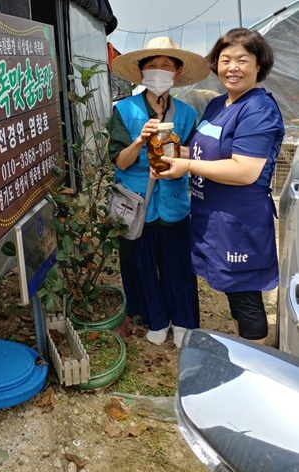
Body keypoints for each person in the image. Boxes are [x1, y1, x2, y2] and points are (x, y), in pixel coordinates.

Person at [160, 28, 284, 344]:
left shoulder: (259, 109)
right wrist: (171, 150)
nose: (232, 68)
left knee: (246, 298)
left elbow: (245, 171)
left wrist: (185, 166)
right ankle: (241, 351)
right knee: (231, 289)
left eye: (242, 60)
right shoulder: (218, 104)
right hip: (213, 216)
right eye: (225, 59)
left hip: (239, 220)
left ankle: (254, 365)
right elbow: (204, 152)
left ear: (259, 65)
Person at [109, 37, 210, 347]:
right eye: (151, 66)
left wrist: (178, 152)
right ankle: (156, 318)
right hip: (137, 200)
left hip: (174, 199)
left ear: (177, 73)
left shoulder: (186, 113)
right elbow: (119, 160)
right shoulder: (124, 111)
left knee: (177, 261)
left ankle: (184, 321)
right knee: (140, 261)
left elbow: (194, 155)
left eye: (165, 66)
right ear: (141, 73)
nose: (158, 72)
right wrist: (140, 140)